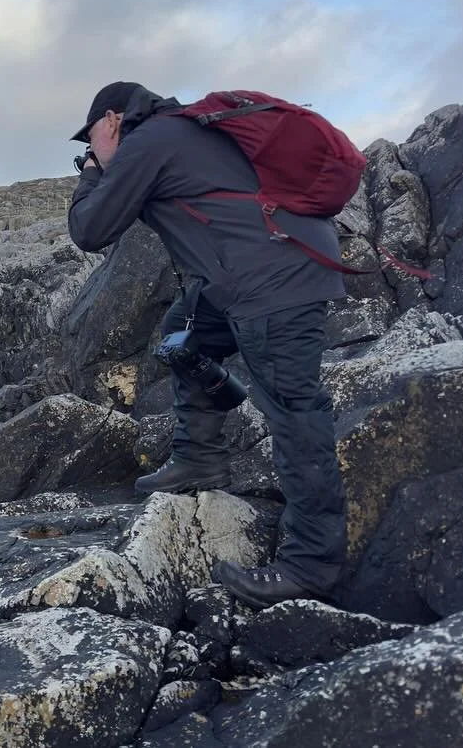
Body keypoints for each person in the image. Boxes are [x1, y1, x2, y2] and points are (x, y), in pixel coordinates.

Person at [66, 81, 348, 609]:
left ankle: (312, 565)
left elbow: (89, 228)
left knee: (294, 411)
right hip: (248, 272)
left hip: (273, 281)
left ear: (110, 120)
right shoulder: (187, 131)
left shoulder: (151, 140)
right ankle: (199, 458)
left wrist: (89, 175)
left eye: (91, 140)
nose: (93, 150)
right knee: (182, 335)